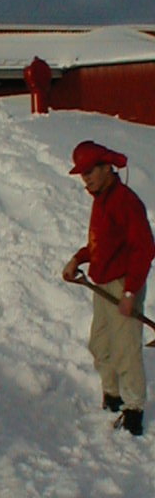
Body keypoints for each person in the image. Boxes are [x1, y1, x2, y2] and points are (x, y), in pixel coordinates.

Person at [62, 140, 155, 436]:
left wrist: (130, 293)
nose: (85, 178)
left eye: (90, 171)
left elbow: (144, 249)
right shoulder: (101, 199)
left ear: (106, 168)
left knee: (126, 349)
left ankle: (134, 410)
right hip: (103, 285)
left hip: (122, 284)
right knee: (101, 344)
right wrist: (78, 258)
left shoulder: (125, 201)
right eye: (82, 173)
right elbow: (101, 243)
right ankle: (112, 395)